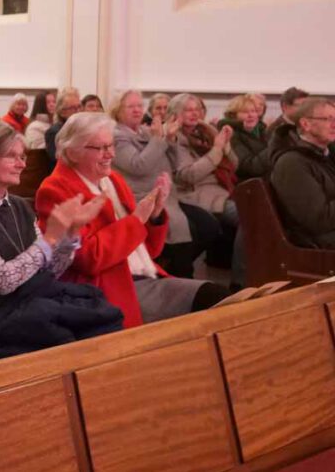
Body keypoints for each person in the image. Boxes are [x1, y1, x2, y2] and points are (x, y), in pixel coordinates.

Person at [0, 122, 121, 359]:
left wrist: (71, 233)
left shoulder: (19, 205)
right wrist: (50, 238)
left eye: (23, 156)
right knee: (70, 340)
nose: (22, 164)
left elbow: (50, 270)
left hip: (27, 307)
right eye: (12, 156)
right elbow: (1, 281)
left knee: (101, 313)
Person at [35, 113, 227, 328]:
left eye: (111, 145)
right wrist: (136, 219)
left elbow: (149, 251)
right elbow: (89, 258)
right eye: (100, 148)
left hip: (138, 275)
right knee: (213, 298)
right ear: (73, 152)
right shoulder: (55, 189)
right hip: (101, 288)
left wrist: (154, 216)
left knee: (225, 300)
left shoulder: (112, 180)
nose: (110, 154)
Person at [111, 90, 217, 279]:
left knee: (209, 226)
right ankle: (180, 274)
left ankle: (171, 267)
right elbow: (139, 165)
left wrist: (171, 139)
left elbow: (173, 161)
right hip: (142, 198)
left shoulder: (145, 131)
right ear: (118, 110)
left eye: (139, 106)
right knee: (183, 232)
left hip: (168, 196)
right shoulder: (117, 136)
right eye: (131, 106)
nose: (137, 110)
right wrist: (159, 139)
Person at [167, 93, 241, 270]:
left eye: (197, 109)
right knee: (250, 218)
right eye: (188, 110)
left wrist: (225, 144)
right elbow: (188, 175)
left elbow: (234, 165)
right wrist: (216, 150)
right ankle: (241, 278)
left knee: (261, 211)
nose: (194, 114)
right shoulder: (174, 138)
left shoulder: (203, 133)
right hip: (195, 195)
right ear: (175, 114)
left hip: (220, 192)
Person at [269, 97, 335, 249]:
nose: (334, 124)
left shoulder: (324, 154)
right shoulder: (292, 162)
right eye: (328, 119)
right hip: (315, 244)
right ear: (306, 124)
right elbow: (318, 221)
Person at [219, 94, 270, 181]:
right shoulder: (232, 135)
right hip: (250, 183)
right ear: (233, 115)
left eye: (253, 111)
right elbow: (248, 167)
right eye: (245, 112)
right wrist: (274, 148)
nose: (251, 115)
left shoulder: (262, 130)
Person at [45, 87, 81, 169]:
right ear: (62, 112)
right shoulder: (54, 132)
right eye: (73, 108)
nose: (78, 111)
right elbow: (59, 160)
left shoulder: (82, 129)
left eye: (79, 106)